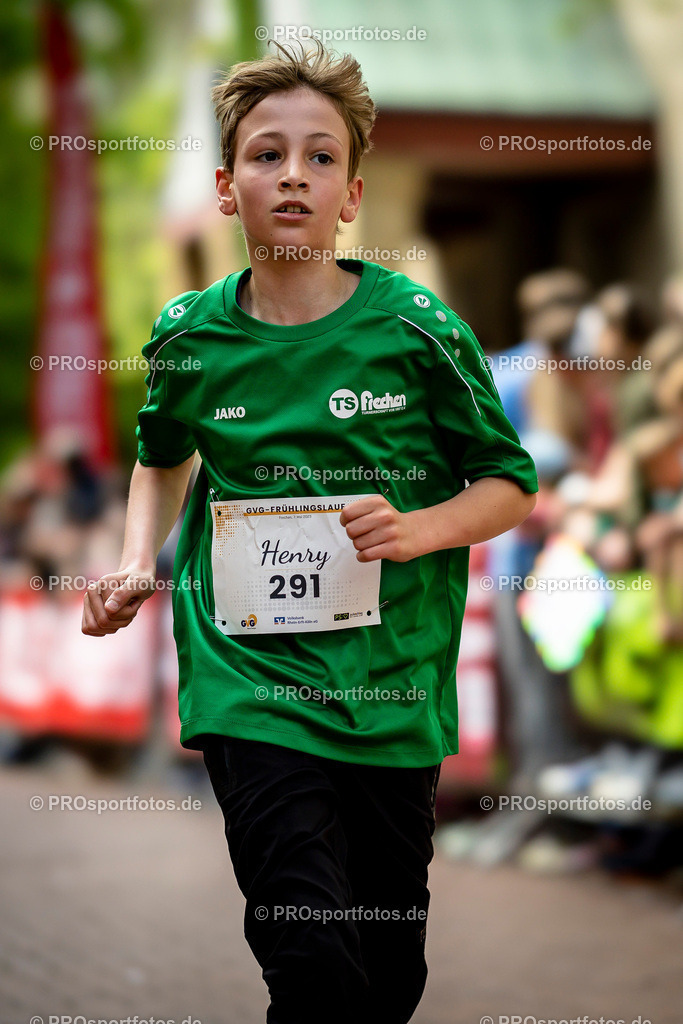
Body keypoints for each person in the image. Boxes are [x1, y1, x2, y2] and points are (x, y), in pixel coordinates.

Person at [81, 41, 537, 1024]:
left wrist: (417, 529)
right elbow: (162, 456)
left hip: (387, 684)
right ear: (223, 185)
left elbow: (508, 483)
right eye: (266, 154)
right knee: (309, 960)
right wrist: (132, 562)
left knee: (386, 976)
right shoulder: (188, 335)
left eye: (319, 157)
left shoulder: (416, 328)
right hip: (248, 682)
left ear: (350, 192)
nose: (292, 173)